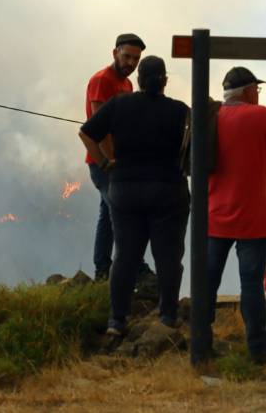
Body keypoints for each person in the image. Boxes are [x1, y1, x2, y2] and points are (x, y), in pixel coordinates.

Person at [79, 55, 190, 335]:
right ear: (164, 81)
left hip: (125, 190)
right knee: (168, 257)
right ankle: (168, 316)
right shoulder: (179, 111)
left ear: (138, 81)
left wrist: (105, 163)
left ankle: (117, 320)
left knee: (125, 256)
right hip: (168, 192)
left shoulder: (119, 104)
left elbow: (87, 133)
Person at [206, 66, 266, 364]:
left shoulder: (210, 116)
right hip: (252, 218)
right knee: (251, 284)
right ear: (249, 90)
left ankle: (201, 344)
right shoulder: (261, 115)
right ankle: (258, 348)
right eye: (257, 89)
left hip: (214, 215)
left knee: (208, 282)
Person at [84, 33, 152, 282]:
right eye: (126, 57)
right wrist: (113, 162)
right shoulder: (102, 80)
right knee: (122, 211)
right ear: (115, 53)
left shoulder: (127, 85)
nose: (131, 63)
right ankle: (135, 265)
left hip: (116, 161)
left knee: (108, 214)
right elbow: (99, 127)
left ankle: (102, 268)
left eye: (136, 59)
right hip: (103, 163)